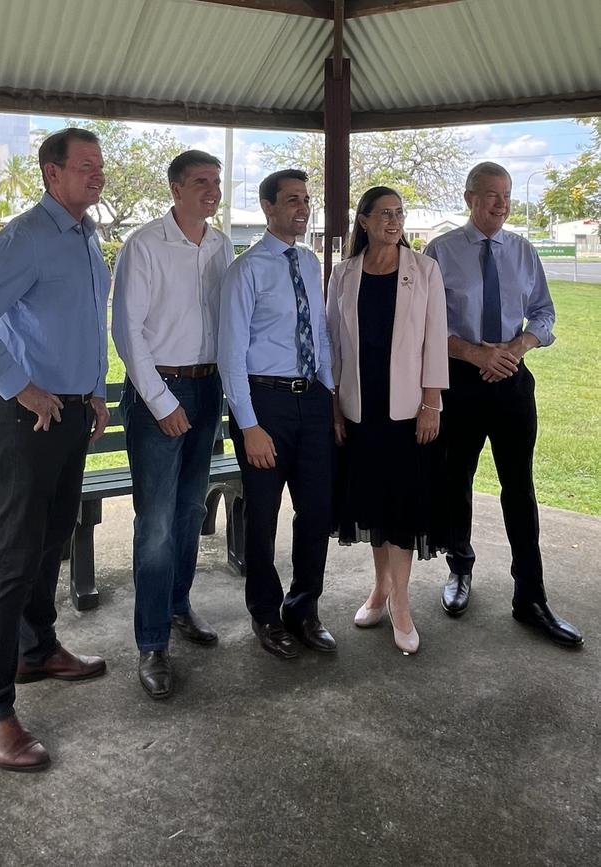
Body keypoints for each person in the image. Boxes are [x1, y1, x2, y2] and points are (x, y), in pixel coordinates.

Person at [0, 128, 111, 772]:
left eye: (101, 166)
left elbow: (81, 325)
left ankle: (37, 647)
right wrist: (21, 387)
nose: (97, 176)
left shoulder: (87, 236)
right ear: (51, 174)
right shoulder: (26, 237)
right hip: (27, 420)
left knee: (52, 541)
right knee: (14, 560)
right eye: (85, 167)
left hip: (71, 415)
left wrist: (95, 391)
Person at [425, 161, 583, 647]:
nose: (501, 203)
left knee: (520, 488)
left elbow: (544, 312)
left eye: (507, 195)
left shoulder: (522, 250)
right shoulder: (440, 252)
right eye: (492, 194)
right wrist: (474, 353)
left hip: (511, 381)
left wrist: (513, 350)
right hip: (460, 382)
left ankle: (530, 597)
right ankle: (460, 569)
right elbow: (425, 324)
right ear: (470, 197)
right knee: (457, 482)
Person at [112, 150, 234, 699]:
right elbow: (127, 333)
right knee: (157, 522)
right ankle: (151, 641)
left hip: (208, 388)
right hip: (159, 389)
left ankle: (178, 605)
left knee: (190, 510)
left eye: (217, 181)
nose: (212, 190)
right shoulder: (143, 245)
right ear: (176, 188)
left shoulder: (220, 244)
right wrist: (161, 401)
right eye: (201, 182)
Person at [218, 169, 336, 660]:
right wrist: (249, 426)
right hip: (264, 404)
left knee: (317, 512)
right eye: (292, 200)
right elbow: (231, 353)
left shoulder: (309, 263)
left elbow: (321, 336)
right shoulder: (246, 271)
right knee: (263, 516)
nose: (302, 209)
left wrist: (331, 399)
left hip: (312, 399)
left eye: (306, 200)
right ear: (267, 208)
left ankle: (303, 608)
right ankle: (265, 614)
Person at [327, 186, 449, 655]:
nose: (393, 221)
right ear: (363, 220)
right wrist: (335, 403)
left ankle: (400, 604)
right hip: (362, 410)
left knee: (402, 510)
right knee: (375, 507)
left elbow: (435, 339)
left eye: (399, 213)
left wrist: (431, 402)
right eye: (384, 213)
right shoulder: (344, 274)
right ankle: (380, 590)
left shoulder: (425, 270)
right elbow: (334, 344)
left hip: (409, 413)